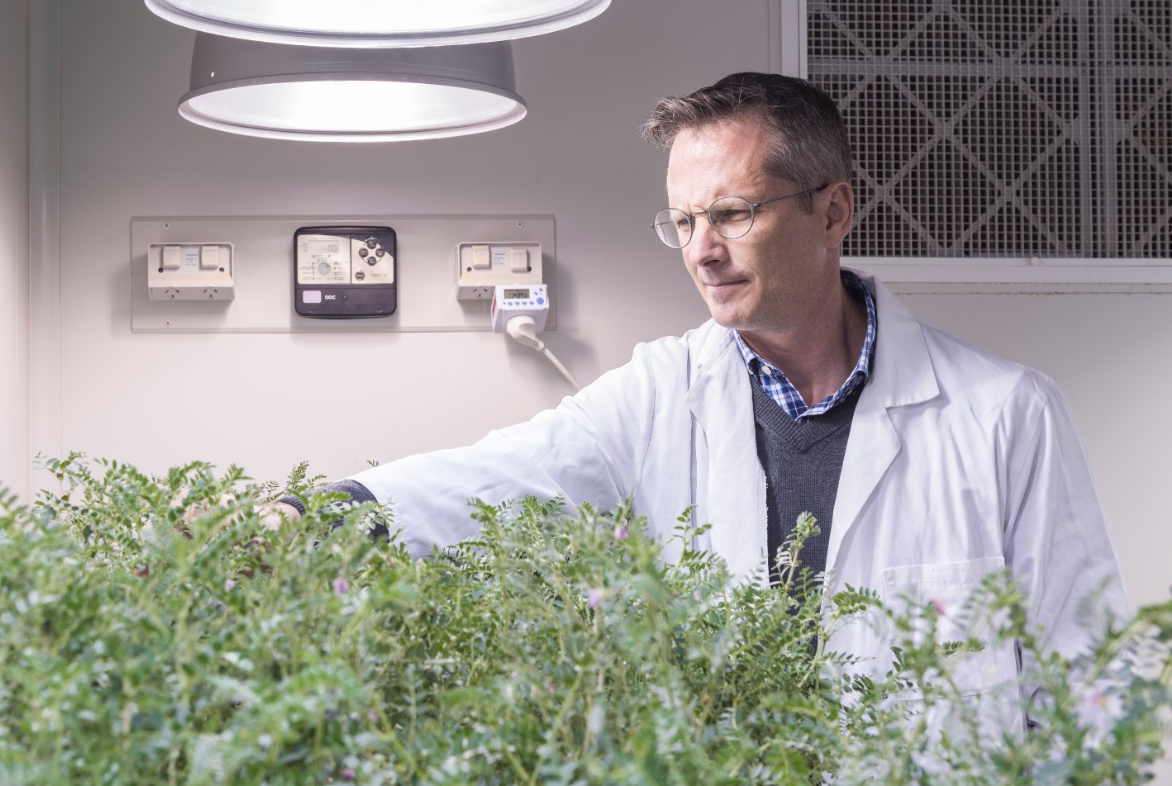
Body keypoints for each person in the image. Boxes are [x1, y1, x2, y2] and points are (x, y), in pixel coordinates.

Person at [268, 72, 1128, 727]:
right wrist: (305, 520)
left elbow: (1093, 679)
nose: (701, 252)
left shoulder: (1006, 416)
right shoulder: (662, 395)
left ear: (833, 214)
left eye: (731, 214)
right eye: (681, 222)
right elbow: (494, 479)